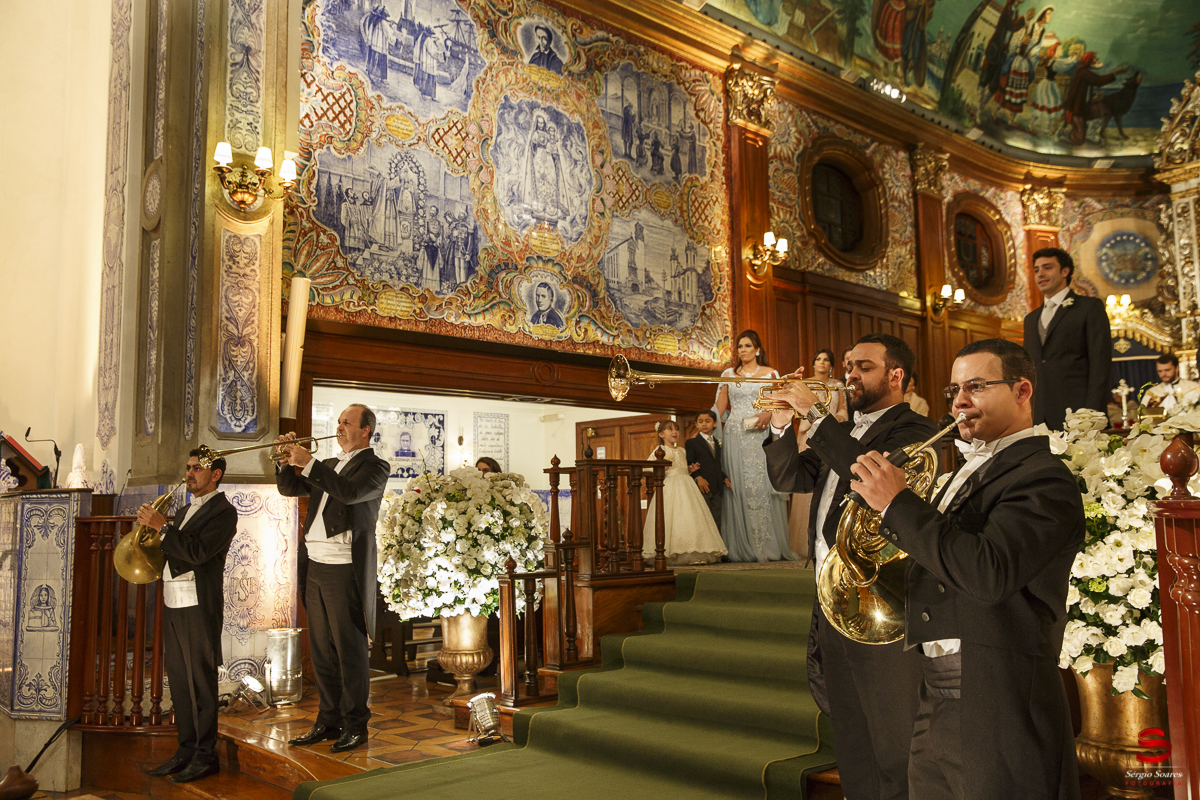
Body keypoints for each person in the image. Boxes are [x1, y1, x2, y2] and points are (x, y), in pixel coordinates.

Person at [849, 338, 1083, 799]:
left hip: (998, 697)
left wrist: (899, 504)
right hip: (936, 692)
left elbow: (988, 572)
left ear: (1022, 391)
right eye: (954, 388)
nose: (959, 400)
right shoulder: (963, 468)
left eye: (976, 386)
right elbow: (939, 558)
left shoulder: (1043, 475)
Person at [763, 333, 937, 800]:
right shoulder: (844, 431)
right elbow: (789, 477)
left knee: (895, 738)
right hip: (835, 599)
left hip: (883, 603)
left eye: (863, 366)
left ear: (895, 375)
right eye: (847, 365)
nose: (849, 375)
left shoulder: (915, 429)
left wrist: (817, 418)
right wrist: (781, 426)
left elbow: (867, 476)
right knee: (852, 736)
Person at [275, 405, 390, 753]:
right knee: (322, 650)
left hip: (344, 569)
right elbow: (290, 489)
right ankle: (328, 719)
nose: (339, 428)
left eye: (347, 423)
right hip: (316, 566)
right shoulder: (327, 466)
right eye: (338, 422)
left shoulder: (375, 467)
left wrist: (308, 462)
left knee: (349, 650)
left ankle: (356, 724)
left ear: (366, 430)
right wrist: (285, 462)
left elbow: (350, 493)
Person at [140, 451, 239, 784]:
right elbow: (172, 549)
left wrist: (163, 529)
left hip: (198, 603)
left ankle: (206, 755)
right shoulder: (183, 510)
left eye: (198, 468)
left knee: (201, 681)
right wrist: (152, 532)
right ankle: (185, 750)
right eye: (188, 467)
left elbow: (197, 553)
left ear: (217, 475)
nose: (190, 473)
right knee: (180, 682)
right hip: (173, 599)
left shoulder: (224, 511)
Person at [715, 330, 795, 563]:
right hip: (734, 436)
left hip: (760, 434)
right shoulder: (728, 374)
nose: (742, 350)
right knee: (738, 487)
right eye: (740, 346)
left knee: (760, 485)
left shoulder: (770, 373)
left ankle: (767, 545)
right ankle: (739, 546)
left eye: (748, 345)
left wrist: (767, 414)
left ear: (758, 349)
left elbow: (779, 403)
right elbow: (719, 407)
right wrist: (701, 431)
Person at [1021, 247, 1111, 429]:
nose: (1040, 274)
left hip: (1078, 410)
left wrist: (1092, 412)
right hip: (1039, 414)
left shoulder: (1089, 308)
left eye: (1047, 268)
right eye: (1036, 270)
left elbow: (1100, 363)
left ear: (1065, 271)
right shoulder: (1031, 319)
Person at [786, 349, 848, 558]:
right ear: (813, 364)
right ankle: (802, 543)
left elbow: (843, 411)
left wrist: (833, 420)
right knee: (806, 482)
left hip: (831, 435)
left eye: (826, 360)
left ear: (831, 365)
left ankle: (825, 540)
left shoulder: (838, 386)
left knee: (827, 481)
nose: (822, 363)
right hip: (808, 433)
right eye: (818, 359)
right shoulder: (804, 384)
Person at [642, 420, 727, 565]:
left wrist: (690, 470)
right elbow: (647, 467)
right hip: (670, 486)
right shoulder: (660, 450)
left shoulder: (681, 450)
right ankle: (672, 552)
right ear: (662, 434)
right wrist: (661, 468)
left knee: (691, 516)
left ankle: (695, 551)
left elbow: (681, 466)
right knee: (673, 518)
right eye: (670, 429)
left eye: (676, 429)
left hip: (687, 485)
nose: (674, 432)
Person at [684, 410, 729, 534]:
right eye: (701, 421)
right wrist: (698, 477)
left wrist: (724, 477)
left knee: (717, 519)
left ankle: (717, 552)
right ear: (696, 424)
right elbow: (690, 463)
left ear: (714, 424)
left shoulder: (718, 443)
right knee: (703, 519)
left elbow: (717, 464)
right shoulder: (692, 442)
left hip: (717, 487)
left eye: (707, 421)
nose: (704, 424)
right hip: (702, 486)